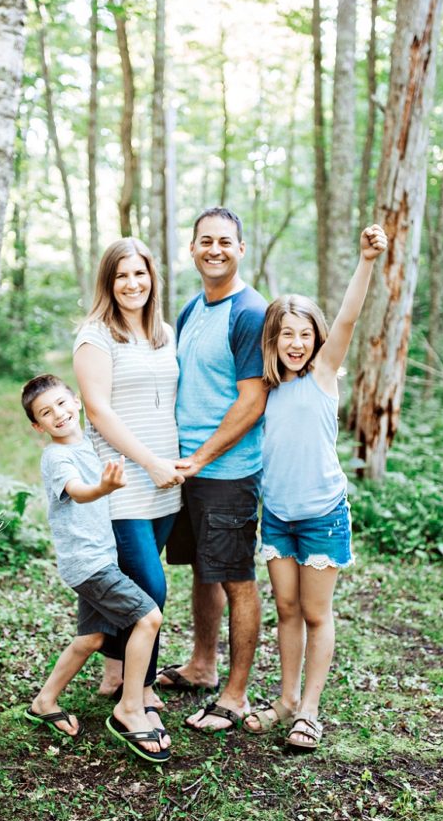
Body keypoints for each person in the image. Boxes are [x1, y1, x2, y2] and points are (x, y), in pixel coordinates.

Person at [243, 224, 387, 750]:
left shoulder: (324, 374)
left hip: (323, 514)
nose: (297, 343)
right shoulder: (266, 388)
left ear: (316, 339)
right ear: (273, 341)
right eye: (287, 334)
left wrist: (367, 259)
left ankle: (309, 710)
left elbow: (348, 314)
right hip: (277, 515)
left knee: (315, 612)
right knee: (285, 609)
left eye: (305, 334)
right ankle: (284, 700)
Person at [20, 374, 171, 763]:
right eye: (46, 413)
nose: (59, 414)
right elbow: (77, 491)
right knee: (148, 617)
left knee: (91, 639)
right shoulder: (56, 456)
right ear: (38, 426)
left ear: (76, 400)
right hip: (89, 565)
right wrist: (102, 489)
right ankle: (131, 706)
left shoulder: (87, 440)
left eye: (62, 403)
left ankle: (44, 700)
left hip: (98, 560)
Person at [158, 206, 268, 732]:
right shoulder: (191, 309)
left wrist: (202, 456)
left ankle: (237, 694)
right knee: (204, 570)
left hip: (228, 474)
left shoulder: (250, 313)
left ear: (241, 249)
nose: (215, 249)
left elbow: (253, 400)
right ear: (193, 248)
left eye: (225, 241)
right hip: (188, 471)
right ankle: (202, 666)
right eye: (205, 241)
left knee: (236, 578)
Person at [73, 239, 183, 745]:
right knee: (150, 590)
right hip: (123, 480)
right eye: (121, 275)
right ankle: (133, 697)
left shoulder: (163, 333)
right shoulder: (96, 337)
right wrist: (150, 462)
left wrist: (172, 463)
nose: (132, 283)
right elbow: (98, 411)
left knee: (136, 580)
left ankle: (114, 672)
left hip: (165, 484)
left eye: (140, 273)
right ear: (108, 282)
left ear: (152, 278)